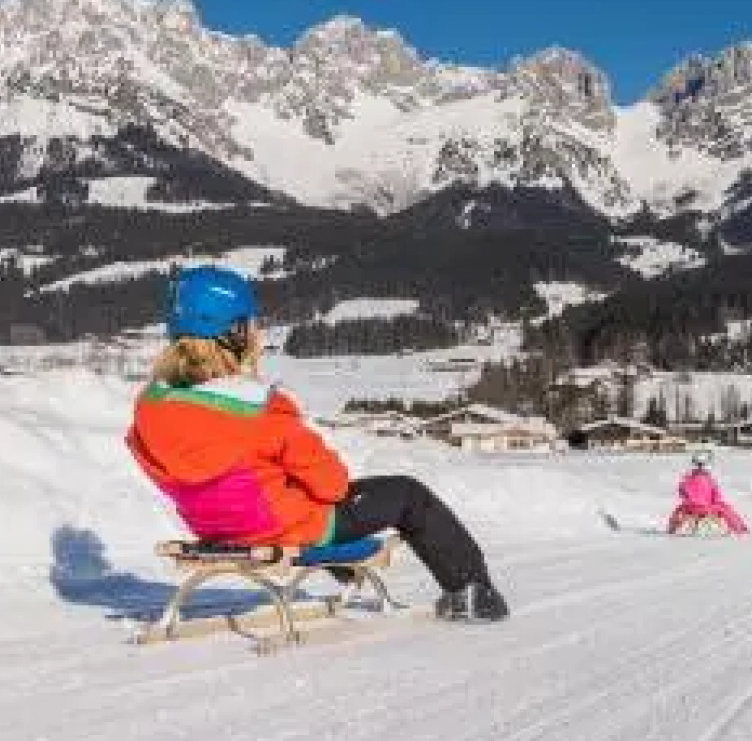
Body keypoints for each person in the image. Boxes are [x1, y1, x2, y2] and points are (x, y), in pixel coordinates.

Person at [125, 265, 509, 621]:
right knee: (408, 495)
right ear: (235, 333)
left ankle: (342, 565)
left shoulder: (150, 414)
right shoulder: (260, 411)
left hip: (215, 527)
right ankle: (473, 592)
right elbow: (333, 484)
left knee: (288, 488)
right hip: (285, 528)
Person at [667, 451, 750, 535]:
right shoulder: (710, 481)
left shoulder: (687, 479)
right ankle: (739, 528)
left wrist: (689, 499)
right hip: (708, 508)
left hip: (690, 508)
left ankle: (671, 528)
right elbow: (716, 497)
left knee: (677, 511)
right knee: (726, 509)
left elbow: (682, 492)